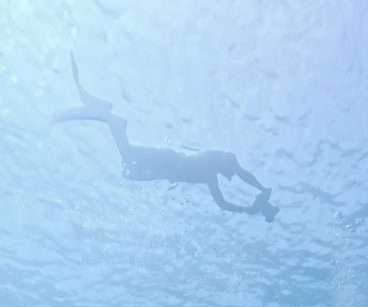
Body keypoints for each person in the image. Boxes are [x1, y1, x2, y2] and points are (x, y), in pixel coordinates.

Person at [53, 54, 278, 222]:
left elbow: (222, 202)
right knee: (128, 156)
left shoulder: (211, 175)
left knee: (129, 167)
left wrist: (252, 203)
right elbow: (241, 174)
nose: (232, 176)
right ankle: (111, 119)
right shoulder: (215, 162)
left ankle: (108, 117)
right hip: (167, 161)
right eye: (231, 171)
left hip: (164, 169)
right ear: (226, 164)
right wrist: (259, 190)